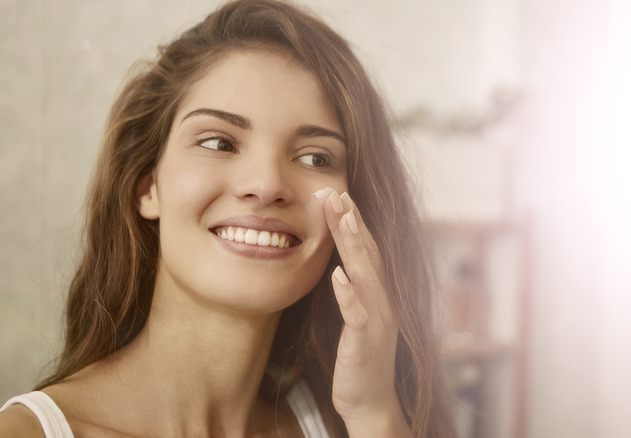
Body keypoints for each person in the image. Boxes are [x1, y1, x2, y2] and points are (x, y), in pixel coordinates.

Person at [0, 0, 455, 436]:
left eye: (316, 158)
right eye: (219, 142)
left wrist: (375, 416)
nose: (267, 184)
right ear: (147, 186)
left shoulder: (357, 422)